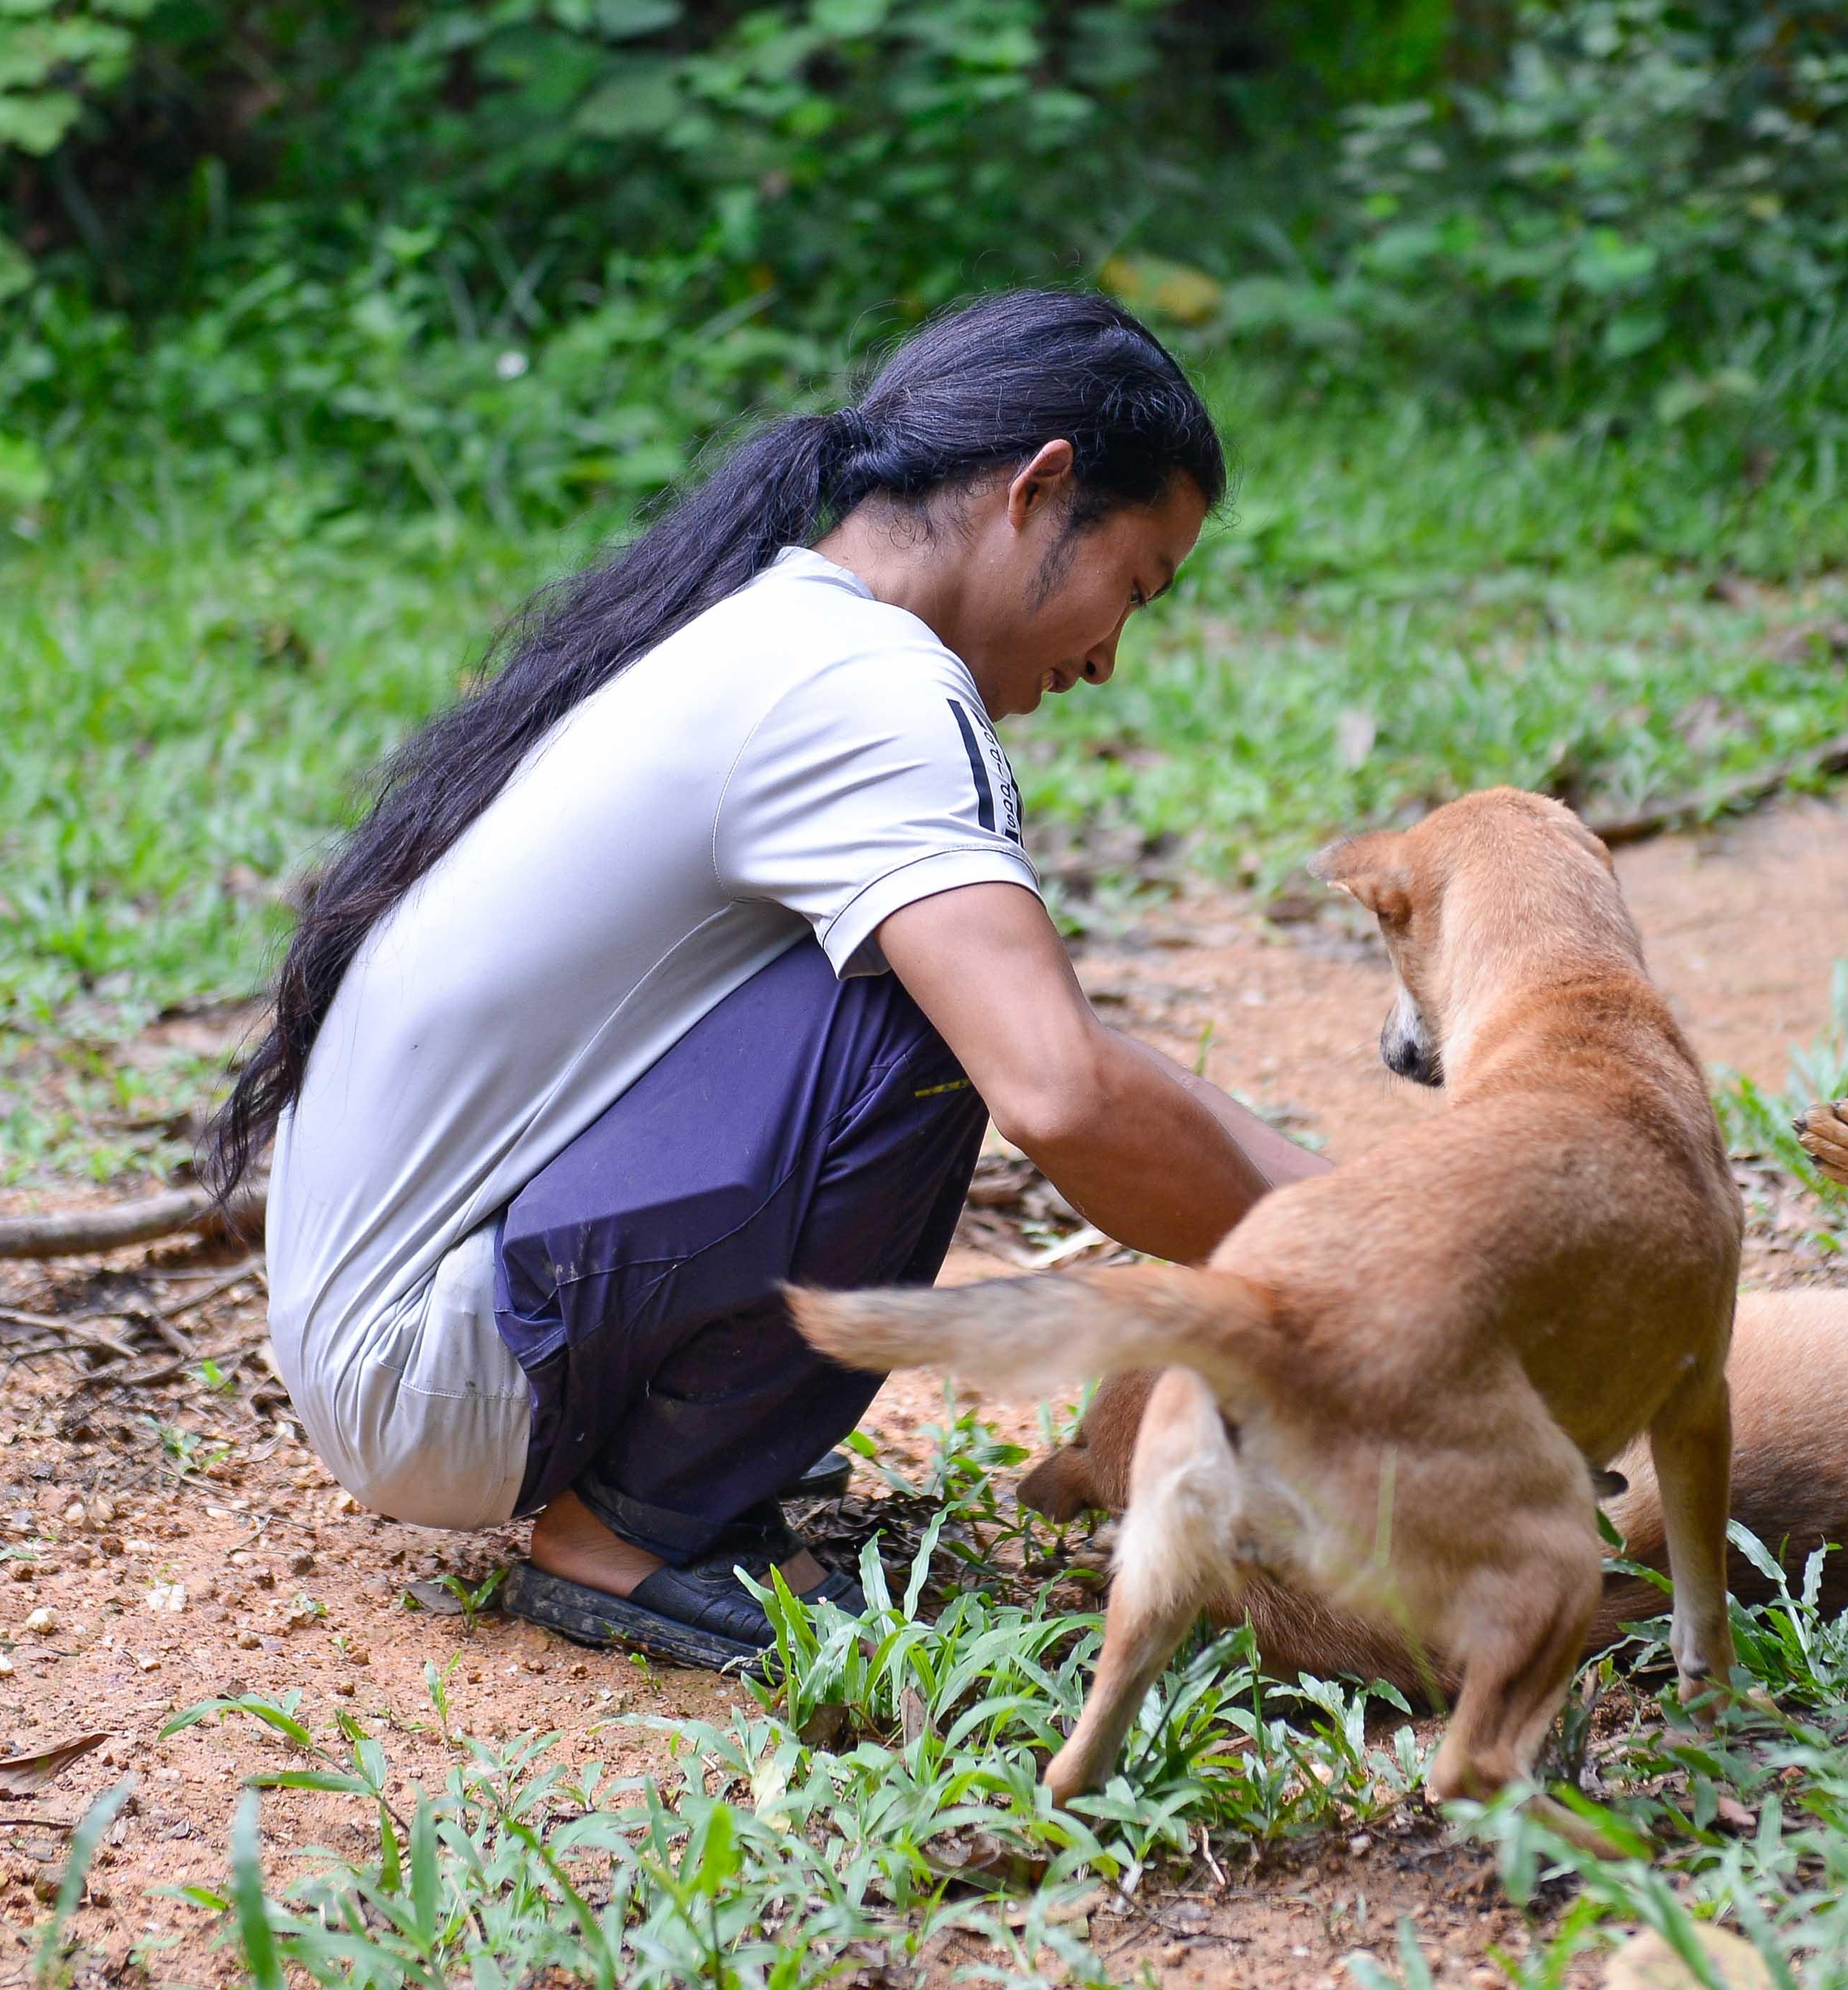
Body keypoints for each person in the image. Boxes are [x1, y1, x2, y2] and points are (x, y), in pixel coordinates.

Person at [207, 291, 1326, 1666]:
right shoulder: (878, 695)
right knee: (933, 1016)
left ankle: (659, 1452)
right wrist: (1365, 1289)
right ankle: (646, 1520)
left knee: (946, 989)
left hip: (398, 1339)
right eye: (1133, 588)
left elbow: (1079, 1062)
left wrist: (1367, 1215)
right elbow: (1061, 1093)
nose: (1105, 655)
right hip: (440, 1370)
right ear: (1040, 491)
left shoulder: (770, 624)